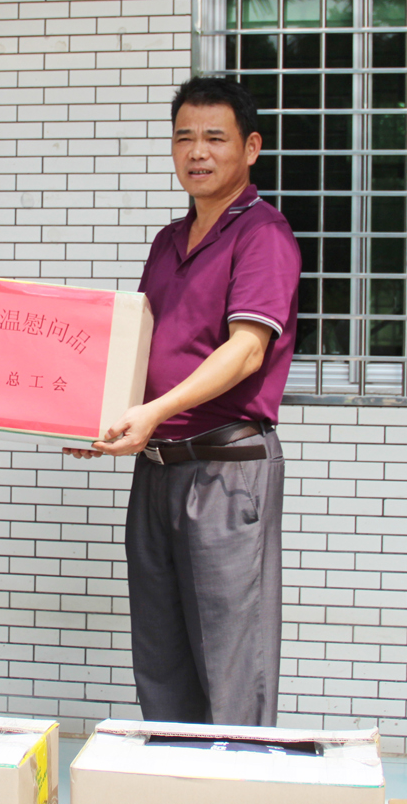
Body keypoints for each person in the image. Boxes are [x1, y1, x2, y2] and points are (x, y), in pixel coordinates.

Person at [67, 77, 300, 726]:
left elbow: (246, 349)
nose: (197, 152)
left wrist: (153, 411)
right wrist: (99, 414)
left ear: (250, 148)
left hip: (225, 472)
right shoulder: (169, 241)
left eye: (215, 138)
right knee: (161, 659)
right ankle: (173, 776)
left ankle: (237, 780)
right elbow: (140, 346)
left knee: (231, 665)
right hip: (158, 471)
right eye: (184, 137)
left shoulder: (263, 236)